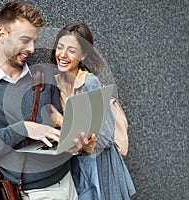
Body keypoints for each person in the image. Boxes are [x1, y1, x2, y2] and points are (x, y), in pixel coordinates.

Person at [0, 2, 92, 199]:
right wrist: (23, 128)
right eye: (25, 40)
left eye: (34, 41)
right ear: (2, 35)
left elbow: (58, 128)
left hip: (69, 182)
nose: (32, 49)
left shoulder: (44, 75)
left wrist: (75, 142)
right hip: (33, 193)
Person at [49, 23, 136, 199]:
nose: (63, 55)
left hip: (98, 168)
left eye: (72, 50)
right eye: (60, 47)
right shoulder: (57, 84)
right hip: (76, 168)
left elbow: (106, 139)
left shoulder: (89, 83)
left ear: (83, 54)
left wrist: (61, 122)